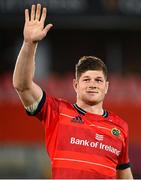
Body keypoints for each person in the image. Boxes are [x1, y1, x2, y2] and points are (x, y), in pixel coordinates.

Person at [13, 4, 133, 179]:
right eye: (86, 80)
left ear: (106, 86)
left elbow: (124, 174)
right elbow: (22, 85)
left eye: (98, 80)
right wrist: (29, 44)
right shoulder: (57, 112)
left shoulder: (120, 127)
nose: (93, 84)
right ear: (75, 85)